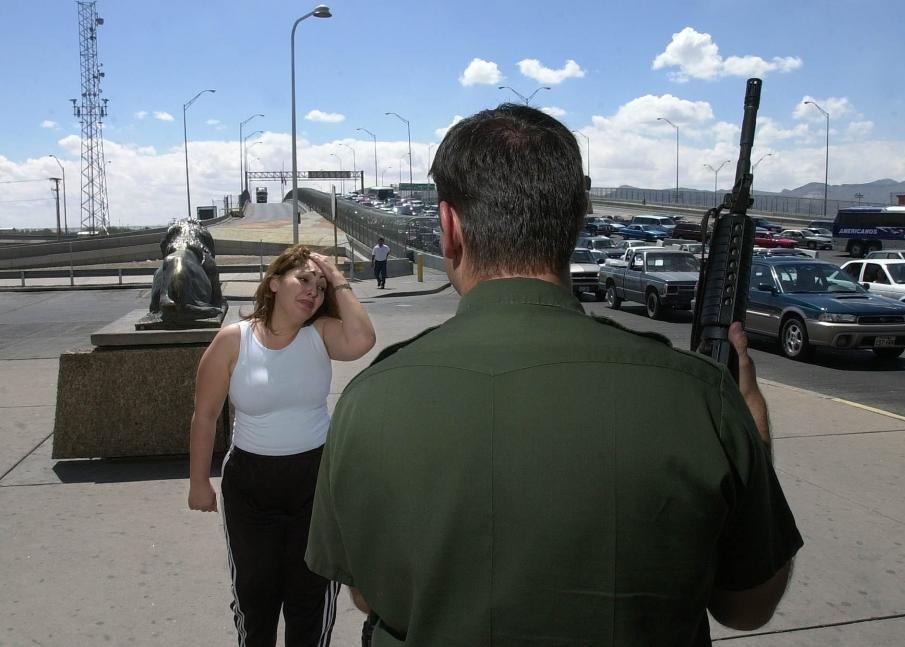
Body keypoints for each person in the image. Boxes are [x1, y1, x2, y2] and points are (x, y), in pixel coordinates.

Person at [305, 105, 802, 645]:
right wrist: (751, 427)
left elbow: (367, 593)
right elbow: (749, 605)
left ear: (449, 228)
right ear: (580, 217)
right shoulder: (702, 397)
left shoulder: (369, 400)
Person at [188, 245, 376, 647]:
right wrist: (198, 481)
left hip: (315, 479)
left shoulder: (321, 334)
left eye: (320, 286)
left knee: (310, 596)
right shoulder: (232, 341)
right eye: (303, 279)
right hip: (250, 484)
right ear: (273, 283)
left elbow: (362, 340)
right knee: (255, 597)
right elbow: (205, 416)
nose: (313, 291)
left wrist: (336, 277)